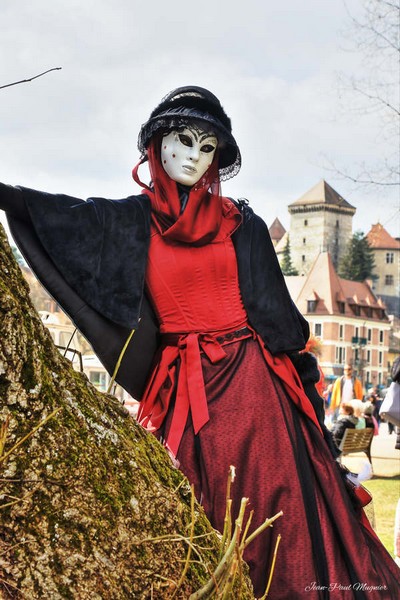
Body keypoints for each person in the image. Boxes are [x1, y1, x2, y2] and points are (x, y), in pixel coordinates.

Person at [0, 86, 399, 598]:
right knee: (192, 517)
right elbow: (57, 214)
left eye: (207, 147)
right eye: (183, 140)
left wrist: (310, 406)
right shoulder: (130, 222)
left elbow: (278, 318)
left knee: (275, 510)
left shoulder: (243, 225)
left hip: (255, 389)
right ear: (157, 145)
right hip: (183, 397)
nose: (193, 156)